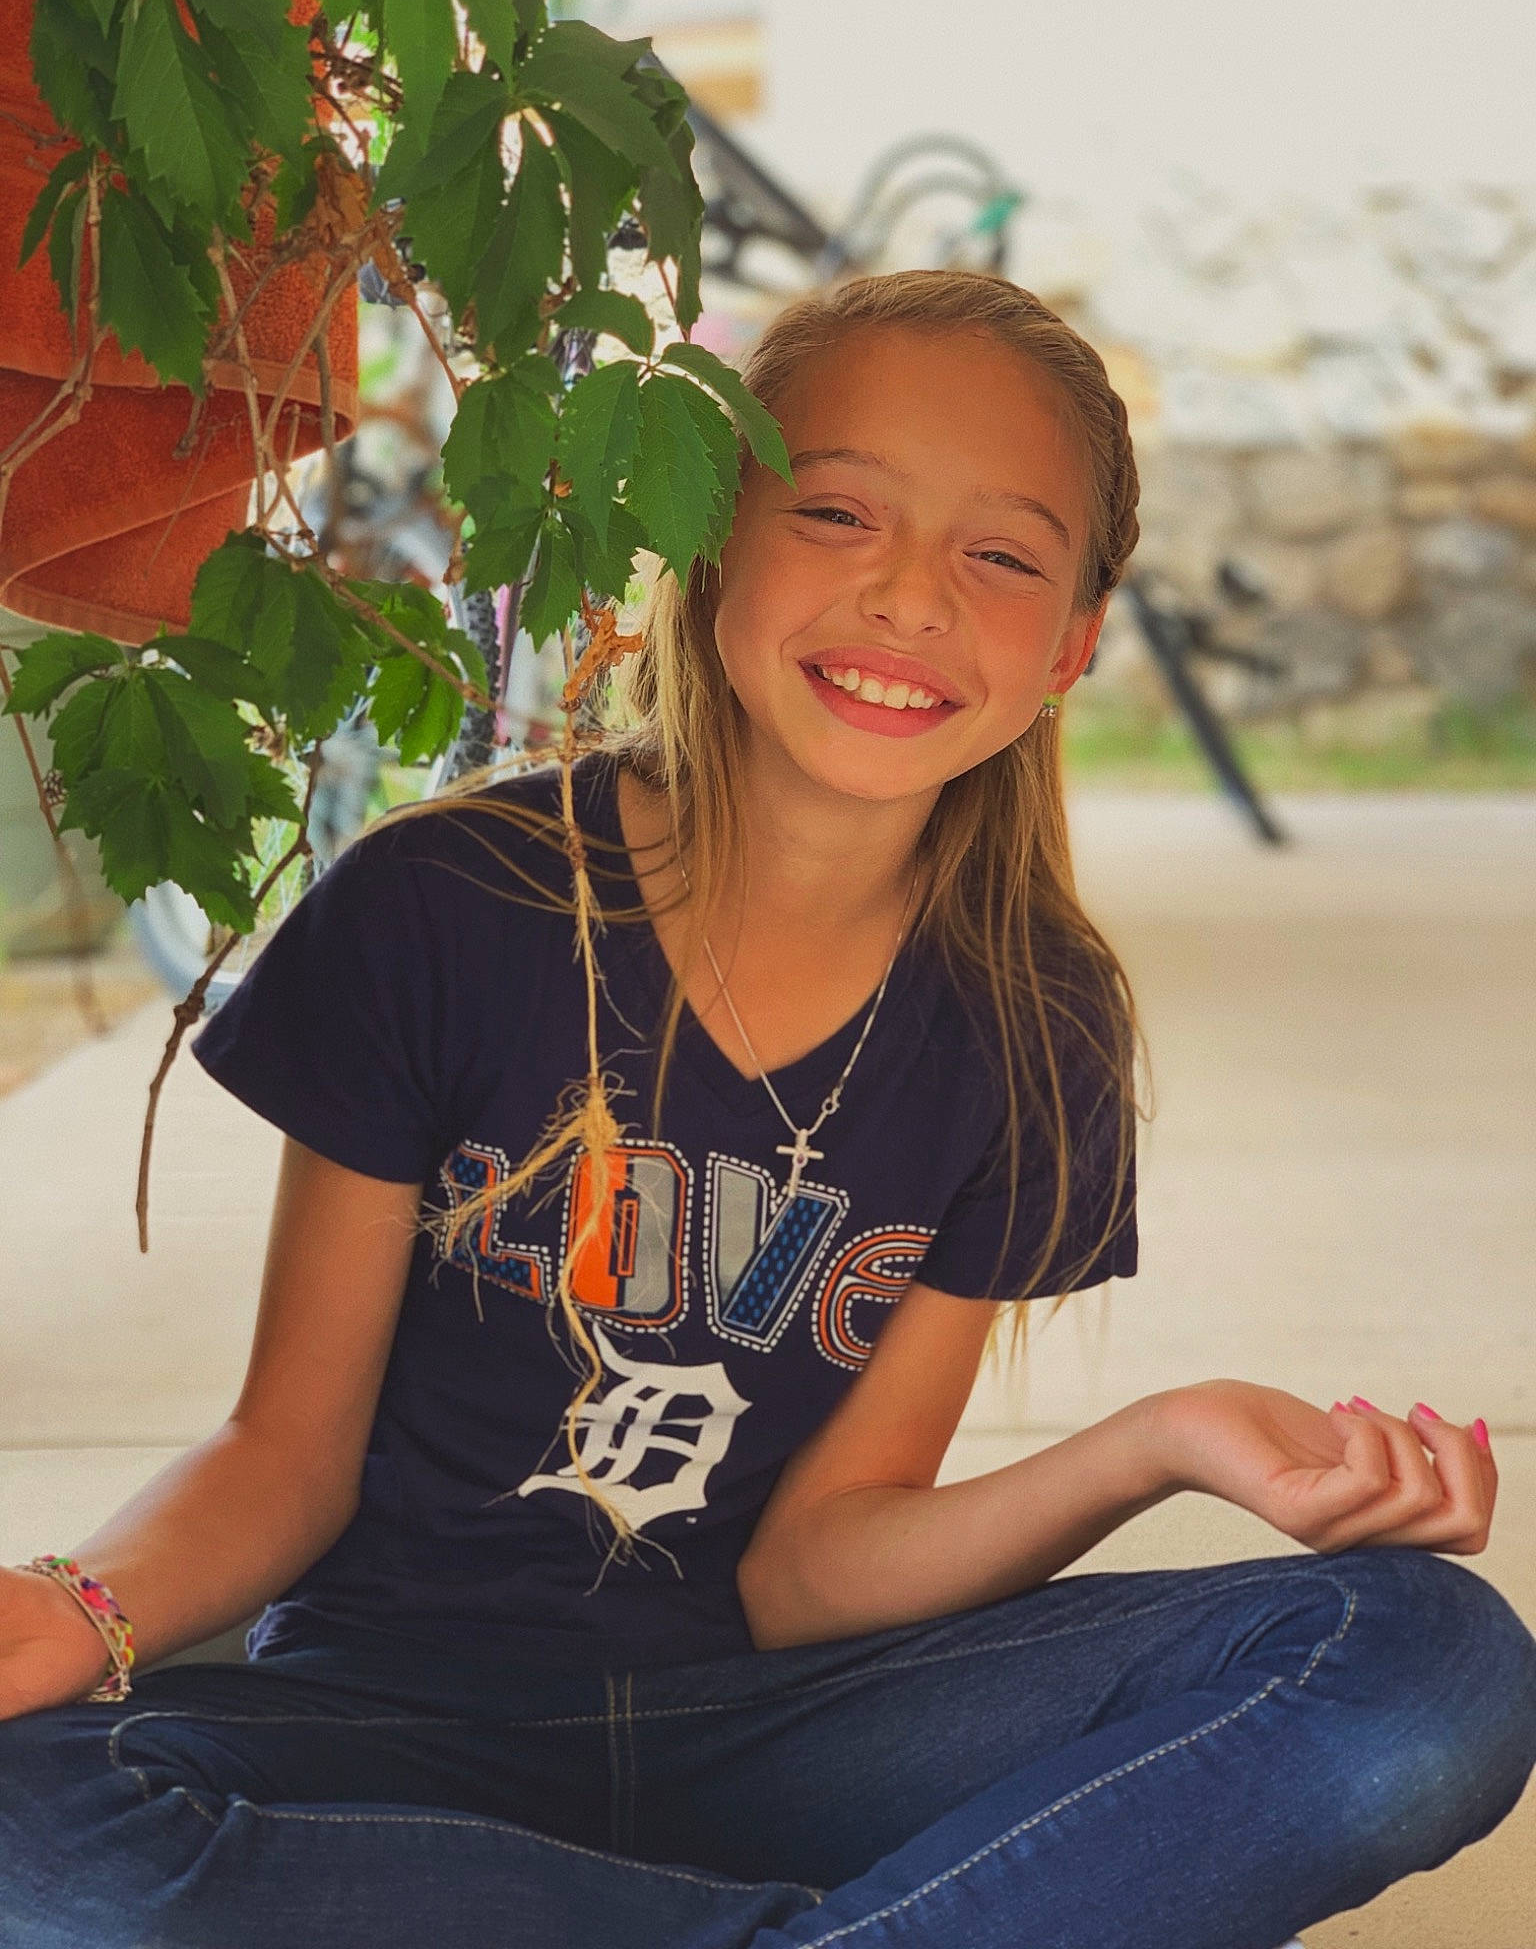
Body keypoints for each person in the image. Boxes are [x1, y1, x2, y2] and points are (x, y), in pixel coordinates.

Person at [1, 269, 1532, 1949]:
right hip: (387, 1724)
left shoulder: (1036, 1024)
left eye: (1002, 555)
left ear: (1076, 642)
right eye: (840, 511)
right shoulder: (450, 904)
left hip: (800, 1734)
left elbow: (816, 1572)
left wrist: (1161, 1440)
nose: (908, 595)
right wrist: (83, 1607)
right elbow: (285, 1458)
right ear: (716, 533)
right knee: (34, 1833)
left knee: (1424, 1660)